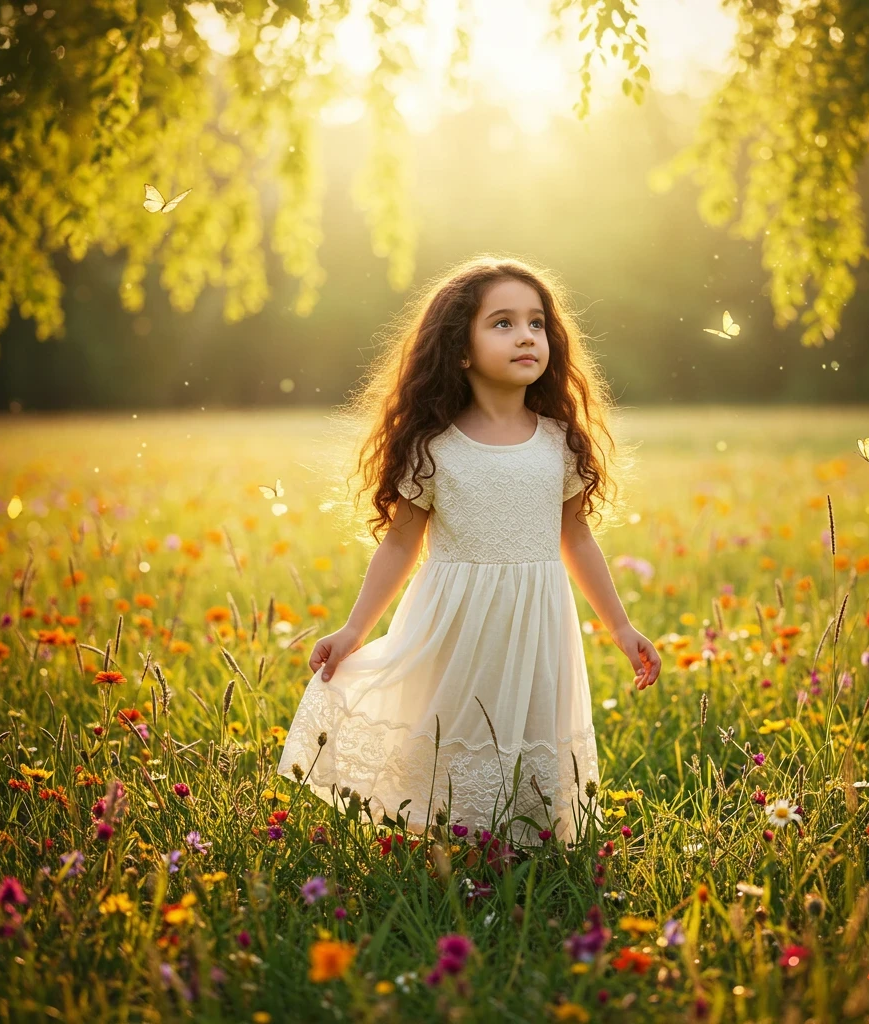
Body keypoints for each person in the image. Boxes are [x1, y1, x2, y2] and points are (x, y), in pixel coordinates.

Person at [278, 256, 661, 846]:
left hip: (537, 620)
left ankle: (526, 846)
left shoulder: (559, 443)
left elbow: (576, 537)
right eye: (502, 323)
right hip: (454, 621)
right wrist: (355, 630)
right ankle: (450, 841)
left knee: (529, 724)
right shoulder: (435, 448)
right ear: (461, 348)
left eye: (536, 323)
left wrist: (620, 626)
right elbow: (401, 542)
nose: (526, 335)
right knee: (451, 723)